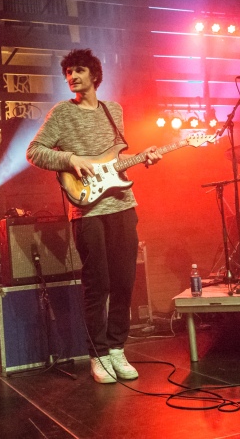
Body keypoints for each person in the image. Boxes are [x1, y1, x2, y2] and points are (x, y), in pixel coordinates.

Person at [26, 48, 161, 383]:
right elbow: (34, 152)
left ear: (94, 75)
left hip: (123, 205)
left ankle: (117, 349)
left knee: (124, 280)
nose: (73, 76)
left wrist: (144, 157)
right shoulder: (61, 113)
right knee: (97, 283)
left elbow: (117, 159)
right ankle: (97, 355)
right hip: (87, 209)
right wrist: (71, 159)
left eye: (79, 70)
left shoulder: (113, 110)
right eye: (69, 72)